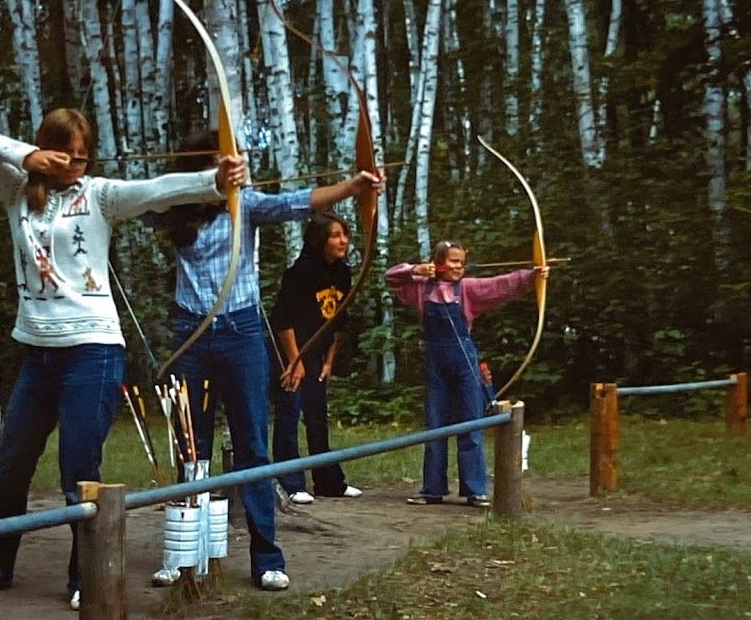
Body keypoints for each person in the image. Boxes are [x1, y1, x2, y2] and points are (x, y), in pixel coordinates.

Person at [0, 109, 245, 611]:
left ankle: (86, 575)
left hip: (93, 350)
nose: (76, 165)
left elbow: (159, 189)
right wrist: (27, 157)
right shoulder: (16, 190)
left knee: (79, 468)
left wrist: (215, 180)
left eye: (83, 157)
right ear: (47, 151)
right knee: (12, 466)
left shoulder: (100, 195)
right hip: (38, 352)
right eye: (66, 155)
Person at [148, 132, 383, 591]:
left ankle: (266, 557)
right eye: (225, 161)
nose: (237, 167)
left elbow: (300, 201)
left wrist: (354, 187)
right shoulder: (177, 212)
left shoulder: (248, 205)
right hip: (191, 336)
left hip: (241, 334)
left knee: (252, 444)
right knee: (191, 450)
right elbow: (140, 201)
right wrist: (204, 183)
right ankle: (182, 555)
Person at [385, 241, 547, 508]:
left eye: (462, 262)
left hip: (465, 364)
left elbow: (502, 284)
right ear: (437, 263)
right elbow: (391, 277)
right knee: (435, 425)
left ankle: (475, 490)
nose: (460, 267)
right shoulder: (420, 288)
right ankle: (432, 489)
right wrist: (415, 268)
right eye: (453, 261)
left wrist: (532, 276)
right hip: (436, 365)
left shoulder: (469, 289)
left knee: (472, 423)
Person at [270, 212, 363, 505]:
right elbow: (282, 319)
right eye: (336, 235)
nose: (343, 241)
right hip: (292, 351)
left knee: (317, 417)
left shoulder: (342, 273)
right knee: (289, 415)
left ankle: (328, 481)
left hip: (318, 353)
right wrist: (294, 362)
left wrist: (329, 360)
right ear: (320, 239)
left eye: (345, 235)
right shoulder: (299, 273)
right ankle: (291, 482)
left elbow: (338, 321)